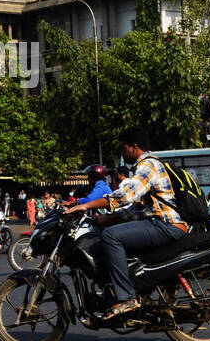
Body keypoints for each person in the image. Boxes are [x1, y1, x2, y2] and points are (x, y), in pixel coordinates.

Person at [66, 127, 188, 319]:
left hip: (165, 225)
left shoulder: (148, 166)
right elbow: (135, 210)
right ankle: (137, 288)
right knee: (110, 230)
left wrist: (85, 205)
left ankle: (126, 298)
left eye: (123, 149)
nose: (121, 154)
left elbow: (127, 196)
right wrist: (105, 219)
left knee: (111, 236)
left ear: (133, 147)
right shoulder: (146, 166)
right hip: (157, 223)